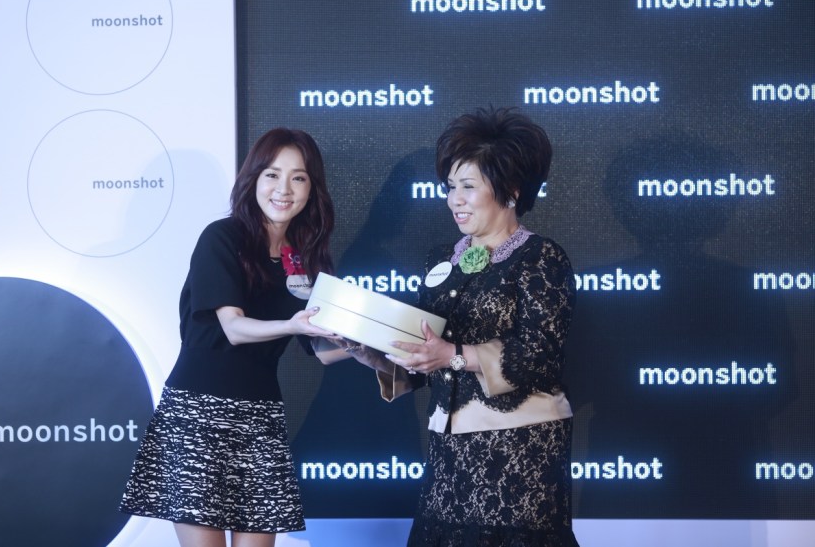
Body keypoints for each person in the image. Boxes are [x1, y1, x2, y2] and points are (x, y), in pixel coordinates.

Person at [351, 107, 580, 546]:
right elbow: (426, 357)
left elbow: (540, 354)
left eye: (468, 186)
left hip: (519, 452)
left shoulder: (541, 257)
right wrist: (369, 351)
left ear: (511, 190)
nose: (454, 199)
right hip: (448, 452)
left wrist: (454, 355)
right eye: (450, 186)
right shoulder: (440, 260)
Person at [119, 128, 348, 547]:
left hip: (260, 420)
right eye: (272, 175)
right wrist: (292, 324)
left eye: (298, 178)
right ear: (253, 179)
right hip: (198, 415)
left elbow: (322, 348)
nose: (284, 189)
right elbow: (234, 327)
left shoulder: (306, 256)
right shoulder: (222, 237)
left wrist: (373, 348)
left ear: (312, 188)